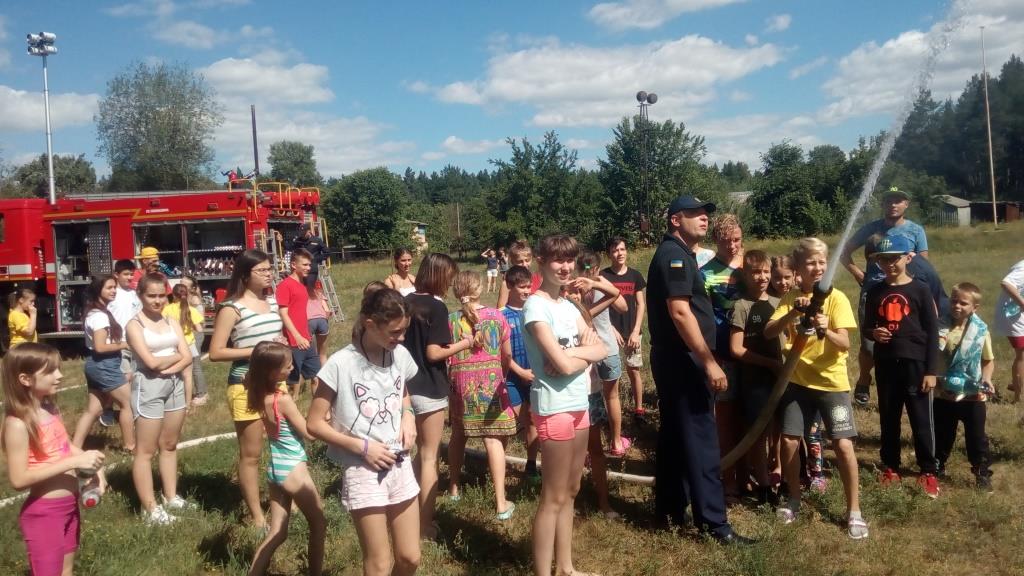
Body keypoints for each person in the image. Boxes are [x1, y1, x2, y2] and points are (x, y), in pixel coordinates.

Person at [646, 196, 751, 544]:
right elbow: (679, 312)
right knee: (702, 440)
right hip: (685, 362)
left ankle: (670, 510)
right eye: (695, 213)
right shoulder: (674, 256)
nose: (704, 218)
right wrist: (708, 362)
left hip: (676, 360)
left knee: (677, 437)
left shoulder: (681, 254)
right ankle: (715, 523)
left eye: (706, 214)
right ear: (676, 220)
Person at [308, 288, 420, 576]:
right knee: (379, 563)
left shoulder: (399, 355)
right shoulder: (340, 364)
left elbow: (402, 391)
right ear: (370, 325)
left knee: (410, 557)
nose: (401, 338)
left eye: (404, 330)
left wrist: (408, 415)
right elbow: (314, 423)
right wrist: (362, 448)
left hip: (400, 462)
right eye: (395, 332)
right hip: (363, 469)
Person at [764, 237, 867, 540]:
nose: (818, 267)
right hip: (797, 382)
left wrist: (826, 329)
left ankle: (854, 511)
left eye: (822, 261)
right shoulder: (790, 298)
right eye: (811, 262)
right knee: (789, 441)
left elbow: (845, 343)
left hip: (831, 384)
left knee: (843, 445)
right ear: (798, 268)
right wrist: (793, 313)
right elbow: (769, 331)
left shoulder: (837, 299)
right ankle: (794, 498)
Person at [523, 234, 609, 576]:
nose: (565, 266)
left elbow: (601, 349)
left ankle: (566, 568)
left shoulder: (569, 306)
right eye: (558, 259)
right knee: (553, 496)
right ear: (541, 262)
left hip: (579, 404)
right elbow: (558, 362)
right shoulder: (536, 306)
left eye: (570, 259)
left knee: (572, 490)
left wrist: (570, 355)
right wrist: (578, 355)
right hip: (553, 407)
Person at [2, 343, 107, 576]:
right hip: (44, 514)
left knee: (66, 570)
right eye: (50, 371)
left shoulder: (50, 408)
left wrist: (96, 468)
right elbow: (18, 479)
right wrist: (72, 463)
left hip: (69, 506)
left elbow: (67, 447)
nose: (59, 375)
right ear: (25, 379)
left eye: (58, 369)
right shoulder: (17, 424)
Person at [209, 250, 284, 529]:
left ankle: (280, 504)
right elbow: (216, 352)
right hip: (245, 386)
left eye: (269, 269)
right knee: (251, 454)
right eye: (261, 270)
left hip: (277, 385)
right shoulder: (232, 308)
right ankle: (257, 516)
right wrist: (257, 351)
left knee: (281, 446)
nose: (268, 274)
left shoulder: (273, 303)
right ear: (244, 275)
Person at [864, 235, 941, 497]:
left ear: (908, 258)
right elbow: (867, 326)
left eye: (894, 259)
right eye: (883, 260)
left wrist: (931, 371)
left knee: (921, 418)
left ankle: (928, 471)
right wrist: (874, 333)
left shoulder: (921, 289)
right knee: (889, 417)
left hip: (916, 363)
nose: (889, 264)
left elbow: (932, 331)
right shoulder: (875, 291)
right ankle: (890, 467)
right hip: (886, 362)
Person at [840, 186, 929, 405]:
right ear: (883, 204)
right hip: (874, 292)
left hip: (904, 293)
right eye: (889, 200)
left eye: (898, 200)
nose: (893, 204)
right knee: (869, 342)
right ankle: (864, 379)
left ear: (906, 204)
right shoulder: (871, 229)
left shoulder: (915, 231)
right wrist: (858, 274)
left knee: (902, 340)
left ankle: (901, 386)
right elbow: (844, 251)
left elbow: (924, 263)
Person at [403, 252, 470, 540]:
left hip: (403, 389)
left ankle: (402, 511)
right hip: (429, 388)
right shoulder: (437, 307)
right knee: (430, 456)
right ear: (440, 276)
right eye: (449, 277)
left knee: (413, 455)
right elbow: (433, 353)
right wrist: (464, 344)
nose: (451, 283)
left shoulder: (404, 301)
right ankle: (423, 524)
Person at [246, 341, 326, 576]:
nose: (292, 368)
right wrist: (324, 419)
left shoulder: (258, 392)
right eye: (287, 366)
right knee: (319, 524)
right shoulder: (282, 400)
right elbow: (310, 434)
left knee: (277, 532)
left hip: (276, 468)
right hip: (293, 470)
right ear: (272, 373)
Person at [445, 270, 518, 519]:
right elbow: (507, 354)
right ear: (480, 289)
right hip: (490, 382)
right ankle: (500, 502)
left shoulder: (451, 320)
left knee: (458, 434)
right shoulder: (496, 316)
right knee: (493, 439)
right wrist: (502, 374)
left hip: (460, 384)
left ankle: (453, 488)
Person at [126, 272, 194, 525]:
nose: (157, 301)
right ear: (140, 295)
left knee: (170, 444)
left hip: (175, 384)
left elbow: (187, 356)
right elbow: (150, 362)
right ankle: (150, 508)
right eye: (151, 296)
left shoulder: (171, 320)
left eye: (161, 295)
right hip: (149, 386)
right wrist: (174, 359)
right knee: (146, 450)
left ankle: (171, 496)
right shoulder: (135, 325)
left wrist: (169, 364)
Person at [729, 250, 783, 504]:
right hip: (755, 381)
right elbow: (736, 349)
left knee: (781, 430)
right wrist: (770, 364)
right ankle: (763, 486)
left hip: (781, 378)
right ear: (745, 275)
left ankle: (782, 476)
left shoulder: (779, 303)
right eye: (756, 272)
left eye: (766, 272)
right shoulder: (741, 306)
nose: (762, 277)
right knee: (757, 433)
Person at [700, 213, 746, 503]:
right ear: (716, 240)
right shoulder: (705, 274)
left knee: (751, 414)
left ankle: (752, 473)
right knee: (725, 419)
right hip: (722, 353)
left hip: (754, 351)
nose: (732, 246)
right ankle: (728, 479)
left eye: (737, 239)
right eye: (726, 240)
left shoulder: (752, 266)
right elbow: (703, 318)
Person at [935, 282, 996, 491]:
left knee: (976, 437)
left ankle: (981, 472)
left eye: (963, 303)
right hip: (944, 392)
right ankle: (937, 465)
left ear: (974, 308)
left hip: (972, 393)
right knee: (943, 432)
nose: (957, 306)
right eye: (954, 301)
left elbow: (988, 360)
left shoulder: (980, 331)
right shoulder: (939, 326)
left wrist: (987, 378)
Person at [71, 276, 135, 454]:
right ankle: (130, 446)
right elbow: (100, 347)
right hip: (104, 364)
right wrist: (124, 344)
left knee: (93, 410)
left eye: (115, 287)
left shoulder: (96, 312)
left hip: (95, 364)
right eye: (109, 288)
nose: (114, 291)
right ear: (98, 290)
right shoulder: (99, 316)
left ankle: (74, 447)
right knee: (127, 404)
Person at [577, 250, 629, 456]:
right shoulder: (603, 285)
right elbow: (623, 307)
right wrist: (600, 283)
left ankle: (587, 449)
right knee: (612, 397)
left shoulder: (574, 288)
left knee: (586, 401)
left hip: (585, 352)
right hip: (607, 350)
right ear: (597, 268)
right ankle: (616, 442)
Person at [600, 237, 649, 420]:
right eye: (614, 250)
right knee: (612, 374)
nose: (619, 253)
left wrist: (636, 331)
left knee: (633, 370)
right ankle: (613, 411)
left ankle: (639, 410)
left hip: (632, 332)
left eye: (622, 249)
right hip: (609, 333)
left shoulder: (635, 275)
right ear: (608, 254)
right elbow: (600, 306)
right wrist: (611, 329)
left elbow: (641, 304)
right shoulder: (603, 276)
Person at [501, 265, 542, 484]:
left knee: (533, 421)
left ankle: (531, 464)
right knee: (507, 424)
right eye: (522, 287)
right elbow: (501, 354)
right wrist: (520, 372)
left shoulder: (535, 311)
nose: (527, 291)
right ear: (509, 286)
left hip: (534, 376)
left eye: (529, 287)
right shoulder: (501, 315)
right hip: (511, 378)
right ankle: (500, 463)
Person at [277, 249, 320, 397]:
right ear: (294, 265)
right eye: (305, 265)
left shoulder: (302, 284)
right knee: (290, 382)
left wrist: (306, 335)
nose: (309, 268)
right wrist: (297, 337)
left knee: (317, 377)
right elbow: (283, 314)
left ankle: (319, 409)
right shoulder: (285, 285)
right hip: (294, 342)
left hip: (306, 339)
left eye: (309, 264)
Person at [105, 260, 144, 428]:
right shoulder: (112, 294)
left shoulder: (135, 294)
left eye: (131, 274)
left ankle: (132, 411)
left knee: (133, 378)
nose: (129, 277)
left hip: (134, 342)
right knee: (121, 380)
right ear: (116, 275)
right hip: (118, 343)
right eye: (126, 274)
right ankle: (108, 409)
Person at [164, 283, 206, 410]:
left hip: (174, 344)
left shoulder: (167, 309)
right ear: (187, 295)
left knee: (174, 374)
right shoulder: (191, 310)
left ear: (173, 295)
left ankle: (173, 400)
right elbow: (199, 329)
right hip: (189, 344)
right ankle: (187, 404)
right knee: (188, 376)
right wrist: (190, 327)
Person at [994, 258, 1024, 403]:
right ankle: (1018, 398)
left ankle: (1016, 382)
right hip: (1013, 316)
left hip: (1018, 314)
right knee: (1022, 354)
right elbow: (1006, 283)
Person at [180, 275, 209, 406]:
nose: (181, 285)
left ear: (192, 288)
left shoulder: (195, 301)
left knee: (195, 364)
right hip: (186, 334)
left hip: (195, 335)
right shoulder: (182, 298)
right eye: (180, 282)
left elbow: (199, 323)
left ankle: (202, 394)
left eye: (184, 284)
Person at [496, 240, 543, 309]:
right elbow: (500, 309)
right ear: (512, 261)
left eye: (527, 260)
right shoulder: (507, 283)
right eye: (520, 261)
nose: (524, 264)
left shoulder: (538, 278)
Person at [307, 281, 332, 379]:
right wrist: (325, 320)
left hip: (309, 321)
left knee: (309, 353)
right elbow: (327, 311)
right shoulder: (319, 293)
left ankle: (314, 376)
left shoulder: (301, 293)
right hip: (322, 321)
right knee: (322, 353)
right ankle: (326, 377)